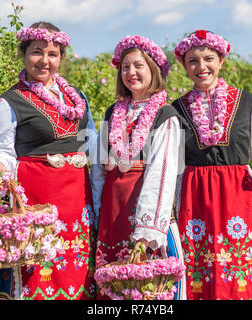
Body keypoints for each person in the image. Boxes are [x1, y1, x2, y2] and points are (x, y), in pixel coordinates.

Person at [0, 22, 97, 300]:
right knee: (38, 277)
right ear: (24, 54)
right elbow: (1, 151)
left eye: (53, 54)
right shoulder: (9, 102)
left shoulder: (77, 98)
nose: (45, 61)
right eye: (37, 52)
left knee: (77, 273)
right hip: (37, 203)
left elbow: (92, 143)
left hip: (78, 202)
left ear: (61, 58)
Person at [171, 29, 252, 300]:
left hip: (239, 197)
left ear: (221, 60)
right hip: (194, 199)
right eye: (193, 61)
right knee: (198, 271)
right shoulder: (174, 110)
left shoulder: (247, 102)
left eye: (209, 59)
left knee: (242, 270)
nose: (202, 67)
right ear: (184, 66)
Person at [90, 35, 186, 299]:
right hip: (113, 207)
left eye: (138, 66)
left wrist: (147, 228)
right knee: (114, 281)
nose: (131, 72)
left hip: (141, 207)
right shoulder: (113, 112)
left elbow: (162, 171)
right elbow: (99, 167)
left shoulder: (165, 115)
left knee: (143, 284)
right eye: (125, 67)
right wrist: (98, 211)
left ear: (153, 70)